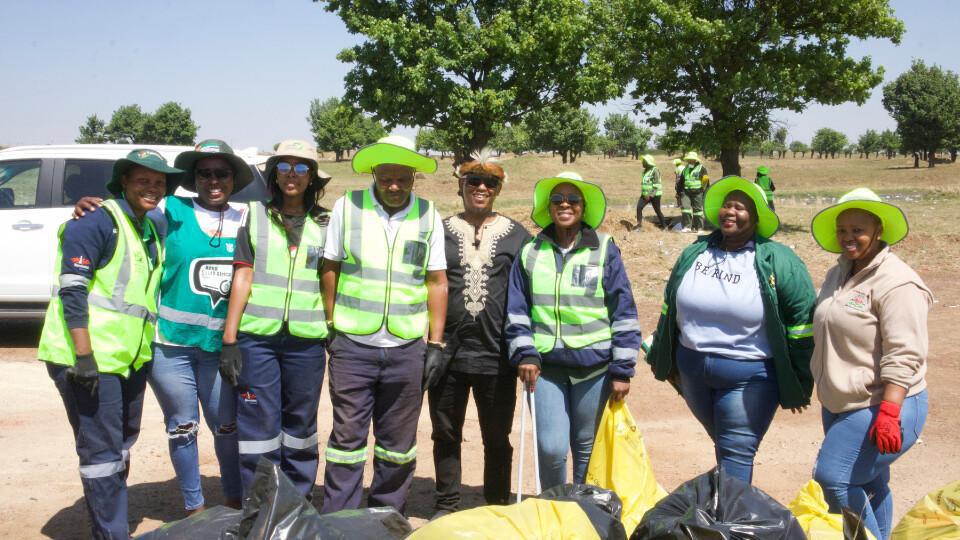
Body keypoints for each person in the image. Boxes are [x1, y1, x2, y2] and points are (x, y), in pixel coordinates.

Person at [71, 140, 251, 513]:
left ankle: (236, 503)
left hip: (221, 347)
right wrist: (92, 207)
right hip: (171, 345)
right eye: (204, 173)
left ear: (233, 179)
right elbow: (124, 217)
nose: (213, 180)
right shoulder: (169, 210)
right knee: (182, 427)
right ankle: (194, 509)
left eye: (221, 173)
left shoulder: (248, 218)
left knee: (227, 428)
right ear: (192, 178)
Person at [38, 149, 181, 539]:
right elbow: (73, 293)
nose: (152, 188)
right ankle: (111, 533)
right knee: (101, 453)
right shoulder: (97, 223)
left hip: (125, 360)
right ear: (122, 184)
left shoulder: (149, 228)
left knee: (119, 445)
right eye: (142, 181)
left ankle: (111, 522)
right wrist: (83, 356)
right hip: (89, 359)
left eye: (159, 182)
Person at [646, 175, 816, 484]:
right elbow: (670, 306)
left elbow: (802, 325)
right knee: (725, 448)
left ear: (755, 215)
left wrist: (800, 382)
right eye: (726, 205)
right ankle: (730, 517)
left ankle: (732, 524)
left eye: (740, 207)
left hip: (749, 377)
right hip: (693, 372)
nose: (730, 212)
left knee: (736, 452)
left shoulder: (778, 260)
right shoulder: (694, 253)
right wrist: (661, 353)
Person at [320, 135, 448, 513]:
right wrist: (331, 322)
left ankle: (385, 516)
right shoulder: (349, 206)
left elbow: (437, 281)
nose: (394, 187)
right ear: (374, 174)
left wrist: (435, 344)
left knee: (399, 442)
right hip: (353, 345)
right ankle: (340, 519)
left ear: (413, 177)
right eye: (386, 178)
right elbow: (331, 267)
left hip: (406, 347)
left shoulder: (428, 214)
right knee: (346, 440)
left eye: (402, 179)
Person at [505, 171, 641, 490]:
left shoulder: (605, 249)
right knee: (551, 448)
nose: (564, 205)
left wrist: (623, 369)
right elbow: (517, 309)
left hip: (595, 369)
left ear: (583, 207)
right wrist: (525, 353)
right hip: (545, 369)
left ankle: (582, 514)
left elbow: (623, 311)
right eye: (557, 200)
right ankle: (555, 508)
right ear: (549, 207)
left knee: (586, 449)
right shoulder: (531, 251)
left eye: (572, 200)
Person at [809, 188, 932, 540]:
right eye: (843, 230)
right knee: (870, 481)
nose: (849, 238)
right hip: (840, 401)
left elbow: (904, 352)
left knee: (834, 478)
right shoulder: (840, 272)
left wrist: (889, 413)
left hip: (883, 403)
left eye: (858, 231)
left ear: (878, 231)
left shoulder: (898, 282)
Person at [220, 139, 331, 498]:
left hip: (306, 342)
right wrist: (230, 339)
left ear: (312, 176)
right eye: (284, 167)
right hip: (258, 340)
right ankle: (262, 503)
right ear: (274, 174)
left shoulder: (327, 224)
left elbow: (333, 280)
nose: (292, 175)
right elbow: (243, 276)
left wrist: (330, 327)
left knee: (300, 426)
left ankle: (298, 500)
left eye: (301, 168)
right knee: (259, 429)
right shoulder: (254, 216)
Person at [428, 155, 530, 519]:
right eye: (473, 182)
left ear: (499, 189)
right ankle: (447, 505)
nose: (481, 188)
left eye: (489, 183)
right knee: (445, 433)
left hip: (497, 354)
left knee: (497, 438)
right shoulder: (438, 230)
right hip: (447, 353)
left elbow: (530, 291)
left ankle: (497, 508)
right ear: (461, 186)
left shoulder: (517, 235)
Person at [679, 151, 708, 232]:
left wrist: (703, 190)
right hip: (686, 192)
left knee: (698, 211)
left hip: (698, 193)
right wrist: (679, 192)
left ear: (695, 160)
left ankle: (699, 228)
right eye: (688, 159)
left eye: (691, 159)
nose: (689, 161)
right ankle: (687, 227)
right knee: (685, 209)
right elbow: (681, 181)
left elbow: (706, 180)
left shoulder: (701, 168)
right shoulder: (685, 169)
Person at [636, 154, 666, 229]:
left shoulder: (655, 170)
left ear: (648, 162)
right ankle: (639, 226)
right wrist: (645, 194)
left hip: (654, 195)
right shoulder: (645, 171)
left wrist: (650, 195)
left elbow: (656, 185)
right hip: (644, 195)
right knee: (639, 208)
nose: (642, 162)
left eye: (644, 161)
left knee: (657, 211)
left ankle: (664, 226)